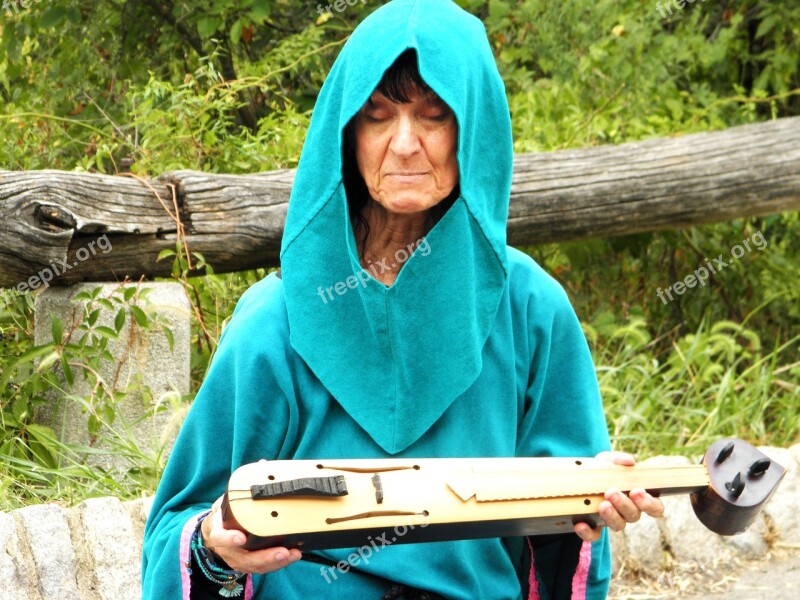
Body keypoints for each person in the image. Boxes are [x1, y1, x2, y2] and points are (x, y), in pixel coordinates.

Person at [141, 1, 664, 598]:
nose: (406, 144)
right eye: (378, 115)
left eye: (434, 115)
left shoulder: (531, 311)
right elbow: (177, 538)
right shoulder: (274, 320)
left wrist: (591, 508)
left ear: (474, 133)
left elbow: (566, 534)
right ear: (348, 135)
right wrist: (214, 545)